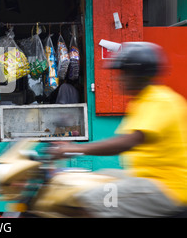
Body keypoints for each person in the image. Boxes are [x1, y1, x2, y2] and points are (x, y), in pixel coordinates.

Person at [49, 42, 187, 217]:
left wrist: (75, 149)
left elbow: (128, 142)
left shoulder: (159, 101)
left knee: (86, 199)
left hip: (166, 187)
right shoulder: (143, 101)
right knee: (94, 179)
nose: (119, 78)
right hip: (147, 178)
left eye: (124, 73)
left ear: (139, 74)